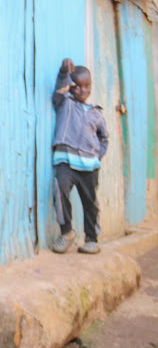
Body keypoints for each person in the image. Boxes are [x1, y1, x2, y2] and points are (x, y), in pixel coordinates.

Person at [51, 58, 108, 255]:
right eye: (77, 87)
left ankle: (91, 239)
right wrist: (63, 72)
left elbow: (104, 139)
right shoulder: (64, 103)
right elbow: (59, 89)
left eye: (87, 86)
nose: (83, 91)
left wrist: (96, 156)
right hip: (65, 161)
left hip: (89, 167)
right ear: (70, 87)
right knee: (60, 191)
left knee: (90, 202)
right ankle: (66, 232)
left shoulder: (96, 113)